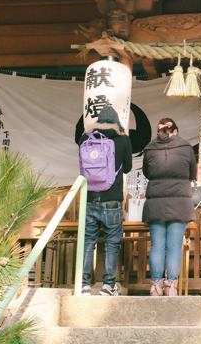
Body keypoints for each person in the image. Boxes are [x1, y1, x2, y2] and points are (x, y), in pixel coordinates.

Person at [80, 105, 133, 296]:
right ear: (116, 121)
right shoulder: (123, 139)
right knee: (112, 242)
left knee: (88, 241)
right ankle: (108, 285)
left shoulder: (86, 137)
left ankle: (84, 285)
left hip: (89, 197)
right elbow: (127, 168)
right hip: (112, 199)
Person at [142, 118, 197, 296]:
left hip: (156, 202)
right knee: (174, 245)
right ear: (175, 131)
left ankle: (156, 286)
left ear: (159, 131)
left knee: (157, 245)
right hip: (180, 202)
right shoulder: (185, 147)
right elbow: (193, 173)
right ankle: (171, 286)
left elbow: (147, 173)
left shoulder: (150, 148)